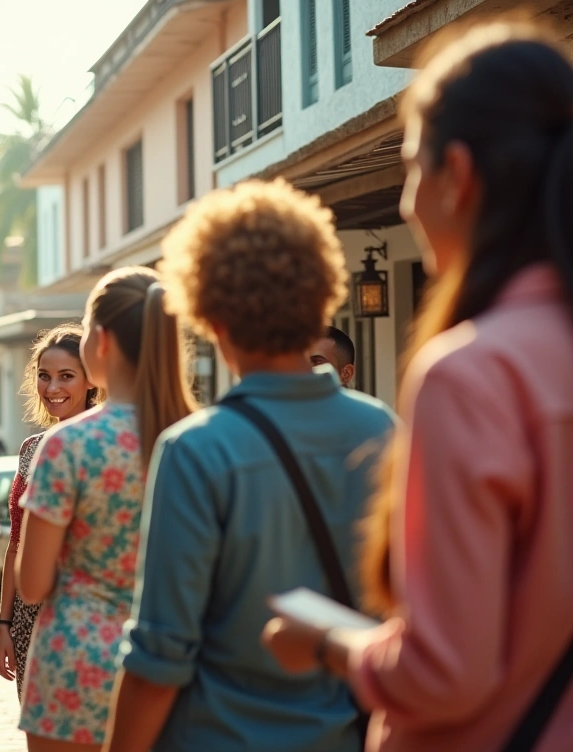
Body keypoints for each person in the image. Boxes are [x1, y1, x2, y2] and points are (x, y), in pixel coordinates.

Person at [263, 22, 573, 752]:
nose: (406, 203)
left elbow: (444, 675)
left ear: (457, 176)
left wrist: (329, 637)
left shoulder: (472, 374)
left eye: (411, 168)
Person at [105, 180, 397, 752]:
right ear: (321, 295)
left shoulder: (196, 450)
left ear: (209, 314)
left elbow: (161, 655)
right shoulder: (383, 429)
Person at [15, 269, 197, 751]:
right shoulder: (206, 440)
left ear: (102, 340)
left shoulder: (68, 445)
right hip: (179, 665)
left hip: (77, 663)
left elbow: (31, 582)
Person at [0, 323, 97, 697]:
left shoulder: (107, 444)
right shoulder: (30, 449)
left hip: (85, 617)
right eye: (44, 376)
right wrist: (5, 623)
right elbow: (17, 543)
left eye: (66, 376)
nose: (52, 388)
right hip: (28, 620)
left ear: (91, 380)